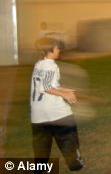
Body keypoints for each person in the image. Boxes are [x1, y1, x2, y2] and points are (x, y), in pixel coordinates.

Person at [30, 37, 84, 172]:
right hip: (56, 113)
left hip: (38, 115)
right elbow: (47, 87)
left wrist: (63, 89)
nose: (59, 50)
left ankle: (40, 168)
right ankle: (75, 164)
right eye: (57, 48)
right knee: (69, 138)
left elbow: (44, 85)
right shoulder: (51, 65)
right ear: (50, 50)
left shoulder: (39, 64)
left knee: (42, 146)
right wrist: (65, 95)